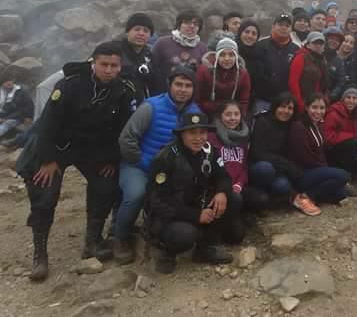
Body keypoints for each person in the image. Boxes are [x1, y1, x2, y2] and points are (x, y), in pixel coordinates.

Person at [16, 42, 136, 281]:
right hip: (56, 147)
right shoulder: (68, 86)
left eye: (114, 65)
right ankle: (40, 254)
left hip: (92, 149)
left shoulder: (123, 90)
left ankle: (92, 242)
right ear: (93, 63)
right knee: (44, 192)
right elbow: (47, 124)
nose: (109, 70)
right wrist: (48, 160)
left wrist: (111, 159)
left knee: (106, 183)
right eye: (104, 64)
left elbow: (122, 129)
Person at [114, 66, 199, 264]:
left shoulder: (194, 112)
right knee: (136, 194)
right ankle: (120, 237)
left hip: (172, 170)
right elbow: (127, 139)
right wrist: (146, 164)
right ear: (169, 85)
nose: (183, 89)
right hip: (139, 165)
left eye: (188, 86)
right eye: (178, 84)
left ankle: (162, 232)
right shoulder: (150, 107)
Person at [143, 111, 233, 273]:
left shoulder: (209, 151)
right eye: (192, 133)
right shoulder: (166, 158)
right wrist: (195, 215)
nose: (198, 138)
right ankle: (166, 252)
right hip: (170, 217)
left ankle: (205, 249)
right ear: (181, 134)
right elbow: (157, 200)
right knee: (185, 234)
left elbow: (224, 176)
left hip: (198, 206)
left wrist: (222, 192)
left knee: (232, 198)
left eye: (202, 132)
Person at [249, 93, 319, 216]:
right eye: (282, 107)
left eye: (290, 108)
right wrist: (287, 165)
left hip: (279, 169)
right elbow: (257, 153)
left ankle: (271, 199)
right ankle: (258, 194)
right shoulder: (263, 121)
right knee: (265, 169)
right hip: (259, 165)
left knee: (283, 186)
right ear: (275, 107)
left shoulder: (291, 126)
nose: (285, 111)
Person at [207, 101, 267, 241]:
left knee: (261, 199)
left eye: (236, 114)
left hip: (236, 187)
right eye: (228, 114)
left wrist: (239, 184)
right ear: (220, 116)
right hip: (218, 189)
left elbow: (244, 166)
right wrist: (223, 188)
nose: (232, 118)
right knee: (236, 237)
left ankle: (239, 213)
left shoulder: (243, 138)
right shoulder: (211, 137)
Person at [288, 93, 350, 206]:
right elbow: (303, 157)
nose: (318, 111)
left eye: (322, 108)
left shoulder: (318, 125)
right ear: (307, 107)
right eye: (314, 107)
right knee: (343, 176)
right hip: (303, 173)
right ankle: (306, 196)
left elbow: (321, 152)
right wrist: (325, 170)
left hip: (316, 170)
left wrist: (325, 170)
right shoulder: (299, 126)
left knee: (341, 193)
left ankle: (318, 194)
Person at [254, 14, 299, 114]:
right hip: (264, 99)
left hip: (285, 103)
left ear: (291, 29)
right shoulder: (261, 45)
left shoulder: (296, 49)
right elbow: (257, 73)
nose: (284, 28)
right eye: (280, 24)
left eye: (287, 26)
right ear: (273, 26)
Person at [196, 37, 251, 119]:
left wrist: (239, 117)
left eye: (231, 55)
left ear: (236, 56)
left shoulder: (243, 74)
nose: (227, 58)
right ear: (217, 56)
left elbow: (243, 101)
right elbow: (198, 98)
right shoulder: (204, 70)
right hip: (206, 114)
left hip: (231, 116)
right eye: (222, 54)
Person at [324, 87, 357, 181]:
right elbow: (328, 137)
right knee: (352, 143)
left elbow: (355, 135)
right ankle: (344, 176)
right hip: (332, 150)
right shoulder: (333, 113)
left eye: (354, 98)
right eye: (348, 97)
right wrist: (350, 137)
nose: (351, 101)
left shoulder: (354, 114)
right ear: (343, 99)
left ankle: (351, 175)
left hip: (348, 147)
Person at [152, 10, 207, 87]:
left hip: (191, 95)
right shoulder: (162, 43)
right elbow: (152, 68)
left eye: (196, 24)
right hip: (162, 93)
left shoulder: (202, 48)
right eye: (187, 22)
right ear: (179, 25)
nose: (192, 26)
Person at [119, 12, 163, 104]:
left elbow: (159, 86)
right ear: (127, 31)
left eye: (146, 31)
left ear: (150, 35)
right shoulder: (113, 51)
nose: (141, 33)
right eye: (137, 29)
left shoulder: (149, 56)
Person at [288, 32, 328, 114]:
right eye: (315, 43)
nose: (318, 45)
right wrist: (300, 103)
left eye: (321, 43)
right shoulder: (301, 57)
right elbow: (293, 82)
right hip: (303, 102)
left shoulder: (321, 60)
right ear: (308, 44)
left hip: (314, 103)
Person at [0, 76, 34, 142]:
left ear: (12, 81)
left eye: (9, 80)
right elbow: (4, 108)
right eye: (5, 82)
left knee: (6, 124)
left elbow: (29, 105)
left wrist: (29, 117)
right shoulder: (4, 93)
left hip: (16, 117)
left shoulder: (21, 92)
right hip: (6, 115)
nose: (8, 83)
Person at [237, 19, 262, 105]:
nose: (250, 36)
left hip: (251, 102)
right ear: (240, 33)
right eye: (247, 32)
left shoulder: (260, 55)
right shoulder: (231, 53)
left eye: (254, 33)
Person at [324, 27, 348, 102]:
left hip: (328, 98)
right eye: (331, 38)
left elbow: (340, 83)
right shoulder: (317, 55)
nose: (334, 41)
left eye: (337, 40)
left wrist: (331, 96)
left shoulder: (338, 61)